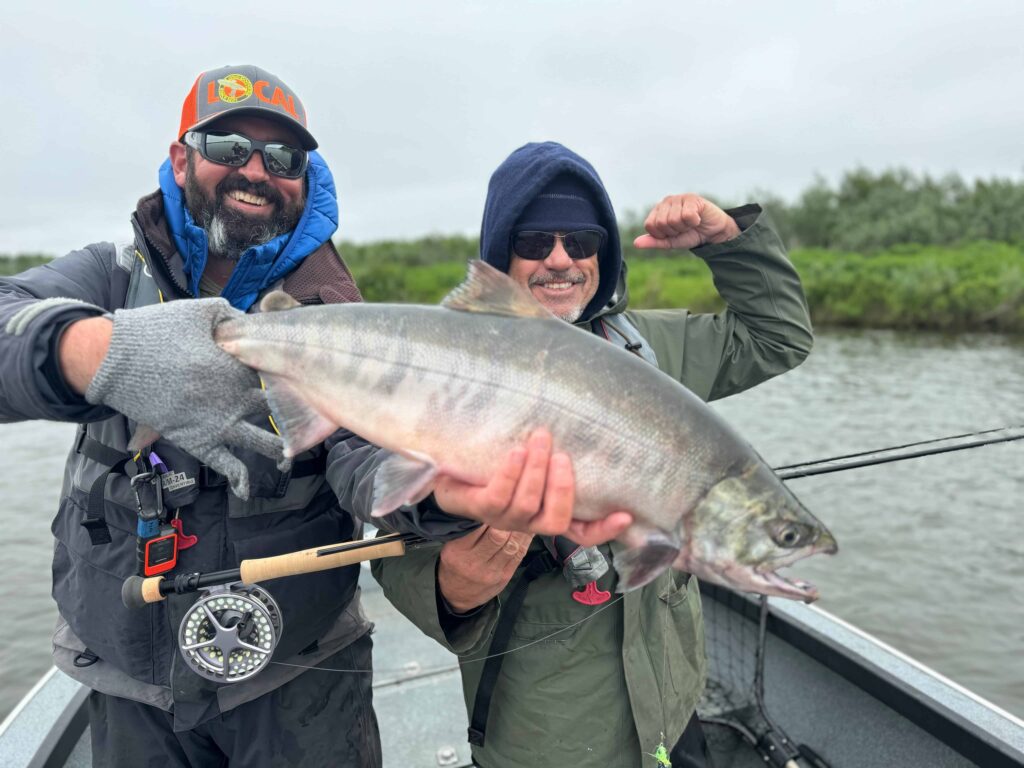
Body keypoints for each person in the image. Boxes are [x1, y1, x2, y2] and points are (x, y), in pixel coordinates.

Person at [0, 71, 624, 768]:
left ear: (305, 175)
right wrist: (94, 352)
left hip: (303, 679)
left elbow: (363, 457)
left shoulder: (335, 314)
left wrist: (439, 496)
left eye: (283, 158)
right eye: (229, 145)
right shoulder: (108, 277)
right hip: (125, 677)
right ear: (181, 159)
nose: (256, 170)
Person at [368, 141, 815, 768]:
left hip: (671, 707)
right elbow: (391, 545)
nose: (560, 259)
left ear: (603, 252)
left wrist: (728, 239)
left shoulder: (653, 351)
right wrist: (453, 587)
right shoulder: (442, 368)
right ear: (501, 253)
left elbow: (779, 338)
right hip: (546, 735)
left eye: (581, 241)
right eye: (534, 241)